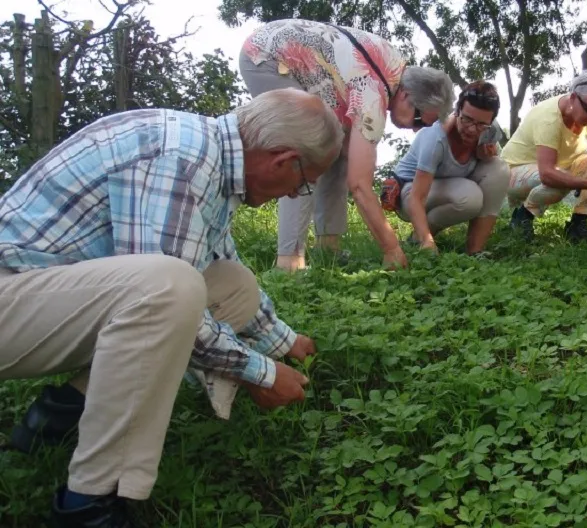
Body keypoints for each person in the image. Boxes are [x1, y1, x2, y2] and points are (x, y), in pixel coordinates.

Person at [0, 88, 343, 527]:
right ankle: (88, 504)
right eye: (304, 182)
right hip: (12, 298)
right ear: (282, 160)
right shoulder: (182, 158)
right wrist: (261, 372)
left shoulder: (208, 156)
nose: (296, 194)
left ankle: (59, 415)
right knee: (171, 288)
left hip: (43, 300)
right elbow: (164, 299)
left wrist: (284, 341)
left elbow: (220, 264)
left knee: (231, 284)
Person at [239, 18, 456, 271]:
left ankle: (328, 247)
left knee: (338, 151)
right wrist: (391, 248)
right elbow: (360, 184)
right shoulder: (374, 92)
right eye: (419, 120)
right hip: (267, 58)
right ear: (407, 96)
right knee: (303, 151)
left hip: (289, 57)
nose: (416, 130)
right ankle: (289, 260)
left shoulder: (396, 69)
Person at [500, 69, 587, 242]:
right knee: (560, 180)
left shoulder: (585, 110)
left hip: (555, 169)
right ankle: (522, 218)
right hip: (513, 173)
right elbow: (548, 174)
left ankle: (578, 224)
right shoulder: (549, 119)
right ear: (572, 98)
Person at [393, 81, 510, 255]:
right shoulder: (436, 137)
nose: (471, 129)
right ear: (457, 111)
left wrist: (483, 153)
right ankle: (421, 237)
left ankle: (475, 251)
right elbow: (417, 198)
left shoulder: (491, 130)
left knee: (499, 169)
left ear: (490, 122)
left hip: (451, 186)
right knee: (469, 196)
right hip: (410, 193)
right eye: (467, 119)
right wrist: (427, 241)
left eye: (480, 125)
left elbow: (486, 158)